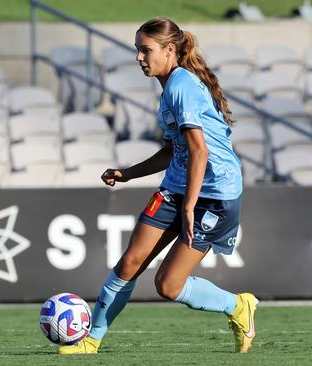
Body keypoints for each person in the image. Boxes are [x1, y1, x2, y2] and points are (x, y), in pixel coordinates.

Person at [59, 17, 258, 355]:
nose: (139, 57)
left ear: (169, 50)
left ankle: (239, 306)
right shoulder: (169, 88)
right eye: (137, 50)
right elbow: (173, 150)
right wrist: (128, 173)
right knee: (129, 263)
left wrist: (189, 206)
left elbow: (200, 150)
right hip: (178, 186)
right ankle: (91, 340)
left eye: (145, 50)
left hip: (215, 194)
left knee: (168, 285)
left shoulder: (181, 86)